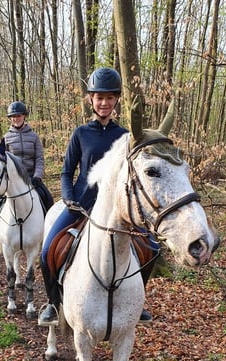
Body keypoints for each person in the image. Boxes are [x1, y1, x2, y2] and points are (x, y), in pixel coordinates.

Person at [38, 67, 158, 326]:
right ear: (91, 100)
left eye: (109, 98)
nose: (104, 103)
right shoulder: (81, 134)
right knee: (47, 250)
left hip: (116, 207)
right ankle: (53, 304)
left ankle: (139, 301)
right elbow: (67, 172)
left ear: (116, 100)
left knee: (153, 246)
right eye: (99, 97)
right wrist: (69, 198)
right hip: (81, 204)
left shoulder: (125, 136)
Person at [0, 101, 54, 240]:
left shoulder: (34, 137)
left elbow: (40, 159)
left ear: (24, 116)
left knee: (48, 198)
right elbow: (2, 162)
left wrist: (37, 176)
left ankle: (49, 229)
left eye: (18, 115)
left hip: (32, 178)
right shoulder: (6, 138)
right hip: (13, 181)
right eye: (13, 116)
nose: (15, 118)